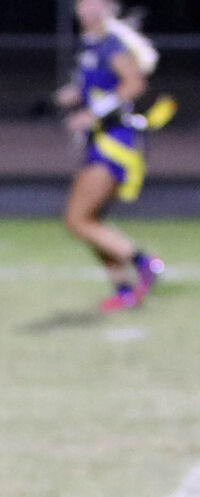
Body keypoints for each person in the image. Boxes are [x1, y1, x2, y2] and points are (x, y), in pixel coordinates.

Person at [54, 0, 174, 311]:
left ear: (109, 7)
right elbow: (97, 87)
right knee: (91, 220)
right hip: (100, 140)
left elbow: (134, 84)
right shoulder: (91, 47)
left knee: (77, 220)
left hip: (115, 142)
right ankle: (124, 290)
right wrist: (70, 97)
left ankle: (144, 262)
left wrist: (91, 112)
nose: (87, 8)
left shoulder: (111, 44)